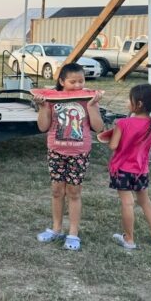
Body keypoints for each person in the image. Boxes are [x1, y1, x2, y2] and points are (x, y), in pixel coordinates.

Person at [33, 63, 104, 251]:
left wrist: (91, 105)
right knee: (56, 191)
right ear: (62, 81)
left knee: (74, 192)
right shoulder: (51, 100)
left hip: (79, 153)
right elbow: (42, 127)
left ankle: (73, 232)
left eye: (81, 81)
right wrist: (43, 107)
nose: (78, 85)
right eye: (73, 82)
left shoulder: (89, 99)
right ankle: (56, 228)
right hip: (56, 151)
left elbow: (99, 127)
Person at [107, 84, 151, 249]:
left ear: (138, 104)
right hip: (141, 170)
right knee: (145, 202)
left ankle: (129, 239)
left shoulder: (123, 123)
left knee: (127, 203)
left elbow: (113, 146)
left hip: (122, 169)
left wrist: (111, 133)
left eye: (129, 99)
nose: (127, 102)